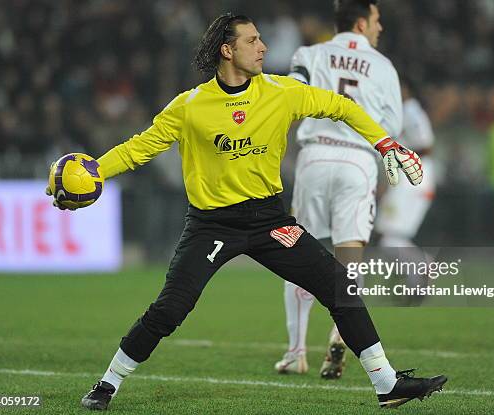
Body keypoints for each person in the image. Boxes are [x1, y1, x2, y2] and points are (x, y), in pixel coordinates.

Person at [47, 13, 445, 410]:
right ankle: (108, 383)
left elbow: (342, 107)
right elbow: (139, 148)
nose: (263, 47)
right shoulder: (190, 106)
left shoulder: (281, 92)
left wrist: (384, 143)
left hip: (270, 222)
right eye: (252, 40)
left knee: (340, 288)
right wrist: (97, 169)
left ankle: (387, 383)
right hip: (211, 224)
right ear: (227, 49)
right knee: (171, 308)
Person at [274, 0, 403, 380]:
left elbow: (291, 97)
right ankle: (340, 331)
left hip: (314, 157)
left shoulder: (310, 53)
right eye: (377, 20)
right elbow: (393, 124)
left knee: (297, 252)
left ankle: (296, 352)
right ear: (362, 23)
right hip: (359, 160)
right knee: (350, 256)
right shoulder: (382, 65)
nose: (380, 28)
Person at [374, 79, 436, 304]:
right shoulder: (401, 113)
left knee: (389, 237)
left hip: (414, 180)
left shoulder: (411, 111)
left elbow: (426, 146)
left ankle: (422, 267)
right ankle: (415, 281)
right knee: (389, 236)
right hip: (409, 180)